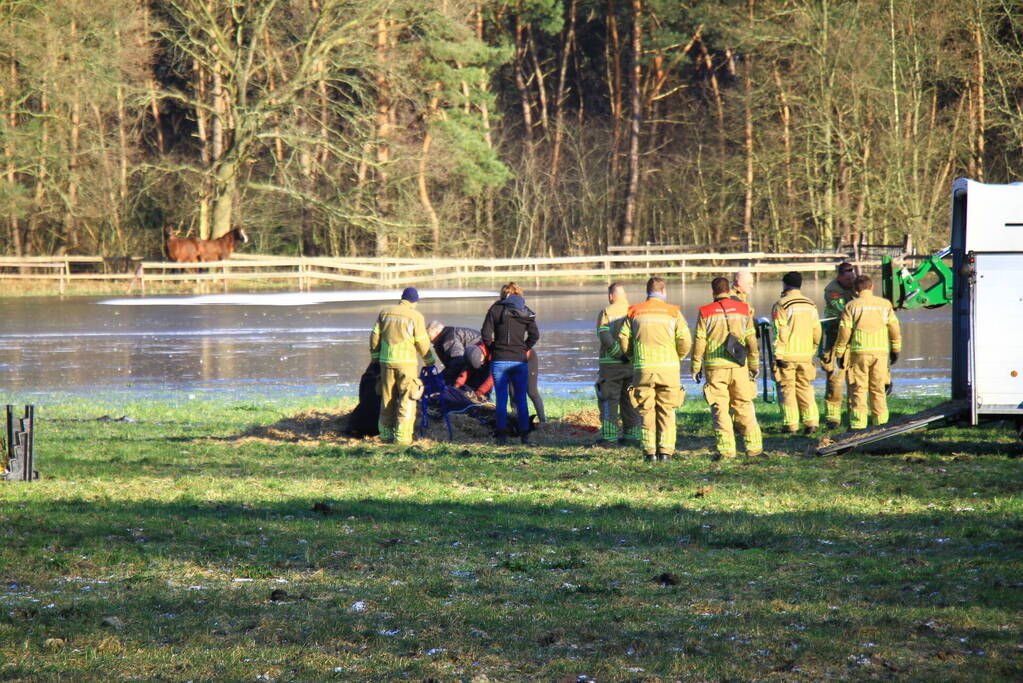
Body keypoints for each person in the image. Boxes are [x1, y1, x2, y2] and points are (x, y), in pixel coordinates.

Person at [618, 277, 691, 461]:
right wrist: (678, 357)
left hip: (643, 369)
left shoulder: (634, 311)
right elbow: (685, 340)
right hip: (668, 370)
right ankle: (665, 452)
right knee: (667, 410)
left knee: (646, 411)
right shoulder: (673, 312)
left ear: (647, 291)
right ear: (663, 291)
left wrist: (633, 357)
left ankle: (650, 453)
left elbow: (623, 338)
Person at [691, 277, 763, 459]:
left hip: (715, 369)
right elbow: (751, 340)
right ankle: (754, 449)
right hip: (739, 366)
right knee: (744, 405)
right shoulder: (743, 309)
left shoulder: (705, 312)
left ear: (713, 292)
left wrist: (695, 366)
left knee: (720, 409)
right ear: (729, 291)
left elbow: (699, 341)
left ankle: (727, 452)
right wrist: (754, 364)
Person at [833, 274, 902, 430]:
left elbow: (844, 332)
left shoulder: (851, 306)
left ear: (855, 290)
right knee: (878, 389)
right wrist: (896, 349)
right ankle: (881, 425)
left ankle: (858, 425)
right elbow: (894, 328)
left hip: (859, 352)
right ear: (872, 287)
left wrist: (839, 353)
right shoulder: (885, 305)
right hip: (880, 353)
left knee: (858, 389)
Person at [369, 287, 437, 444]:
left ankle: (385, 435)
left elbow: (374, 337)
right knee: (407, 399)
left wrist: (375, 358)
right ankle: (402, 438)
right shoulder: (415, 316)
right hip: (407, 364)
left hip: (386, 363)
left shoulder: (384, 313)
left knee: (387, 399)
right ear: (414, 301)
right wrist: (429, 361)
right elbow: (422, 342)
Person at [481, 283, 540, 444]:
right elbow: (535, 335)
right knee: (521, 399)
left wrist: (493, 349)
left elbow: (485, 334)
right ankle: (524, 436)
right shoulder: (526, 311)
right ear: (519, 294)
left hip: (499, 359)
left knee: (501, 399)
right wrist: (524, 348)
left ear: (503, 294)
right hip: (519, 360)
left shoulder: (495, 309)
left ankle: (501, 436)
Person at [771, 272, 822, 435]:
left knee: (787, 390)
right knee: (806, 388)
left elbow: (781, 331)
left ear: (784, 284)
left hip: (787, 355)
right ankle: (811, 423)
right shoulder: (811, 304)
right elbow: (817, 330)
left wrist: (778, 355)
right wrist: (813, 349)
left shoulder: (782, 304)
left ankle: (791, 425)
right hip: (805, 355)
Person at [594, 281, 640, 447]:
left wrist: (618, 354)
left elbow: (603, 335)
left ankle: (609, 438)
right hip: (632, 365)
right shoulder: (635, 311)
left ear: (611, 296)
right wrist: (629, 355)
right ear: (625, 296)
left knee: (608, 401)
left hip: (611, 367)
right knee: (630, 401)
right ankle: (632, 437)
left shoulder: (606, 312)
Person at [820, 262, 857, 428]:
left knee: (855, 380)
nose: (851, 282)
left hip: (852, 340)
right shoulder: (832, 290)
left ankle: (854, 414)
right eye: (848, 279)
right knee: (835, 379)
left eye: (853, 278)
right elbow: (843, 310)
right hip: (835, 338)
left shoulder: (854, 285)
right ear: (839, 277)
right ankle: (832, 419)